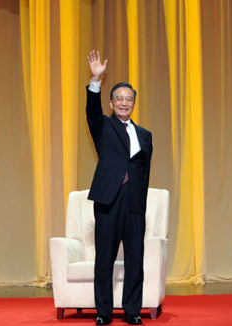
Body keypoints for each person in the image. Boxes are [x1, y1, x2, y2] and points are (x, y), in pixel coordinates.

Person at [85, 50, 153, 326]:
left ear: (134, 104)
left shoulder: (145, 136)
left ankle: (132, 310)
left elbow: (144, 172)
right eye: (119, 99)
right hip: (108, 202)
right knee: (105, 260)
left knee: (135, 260)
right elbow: (91, 109)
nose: (124, 103)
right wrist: (95, 80)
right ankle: (103, 312)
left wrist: (141, 202)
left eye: (129, 99)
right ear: (112, 104)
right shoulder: (103, 126)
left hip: (134, 204)